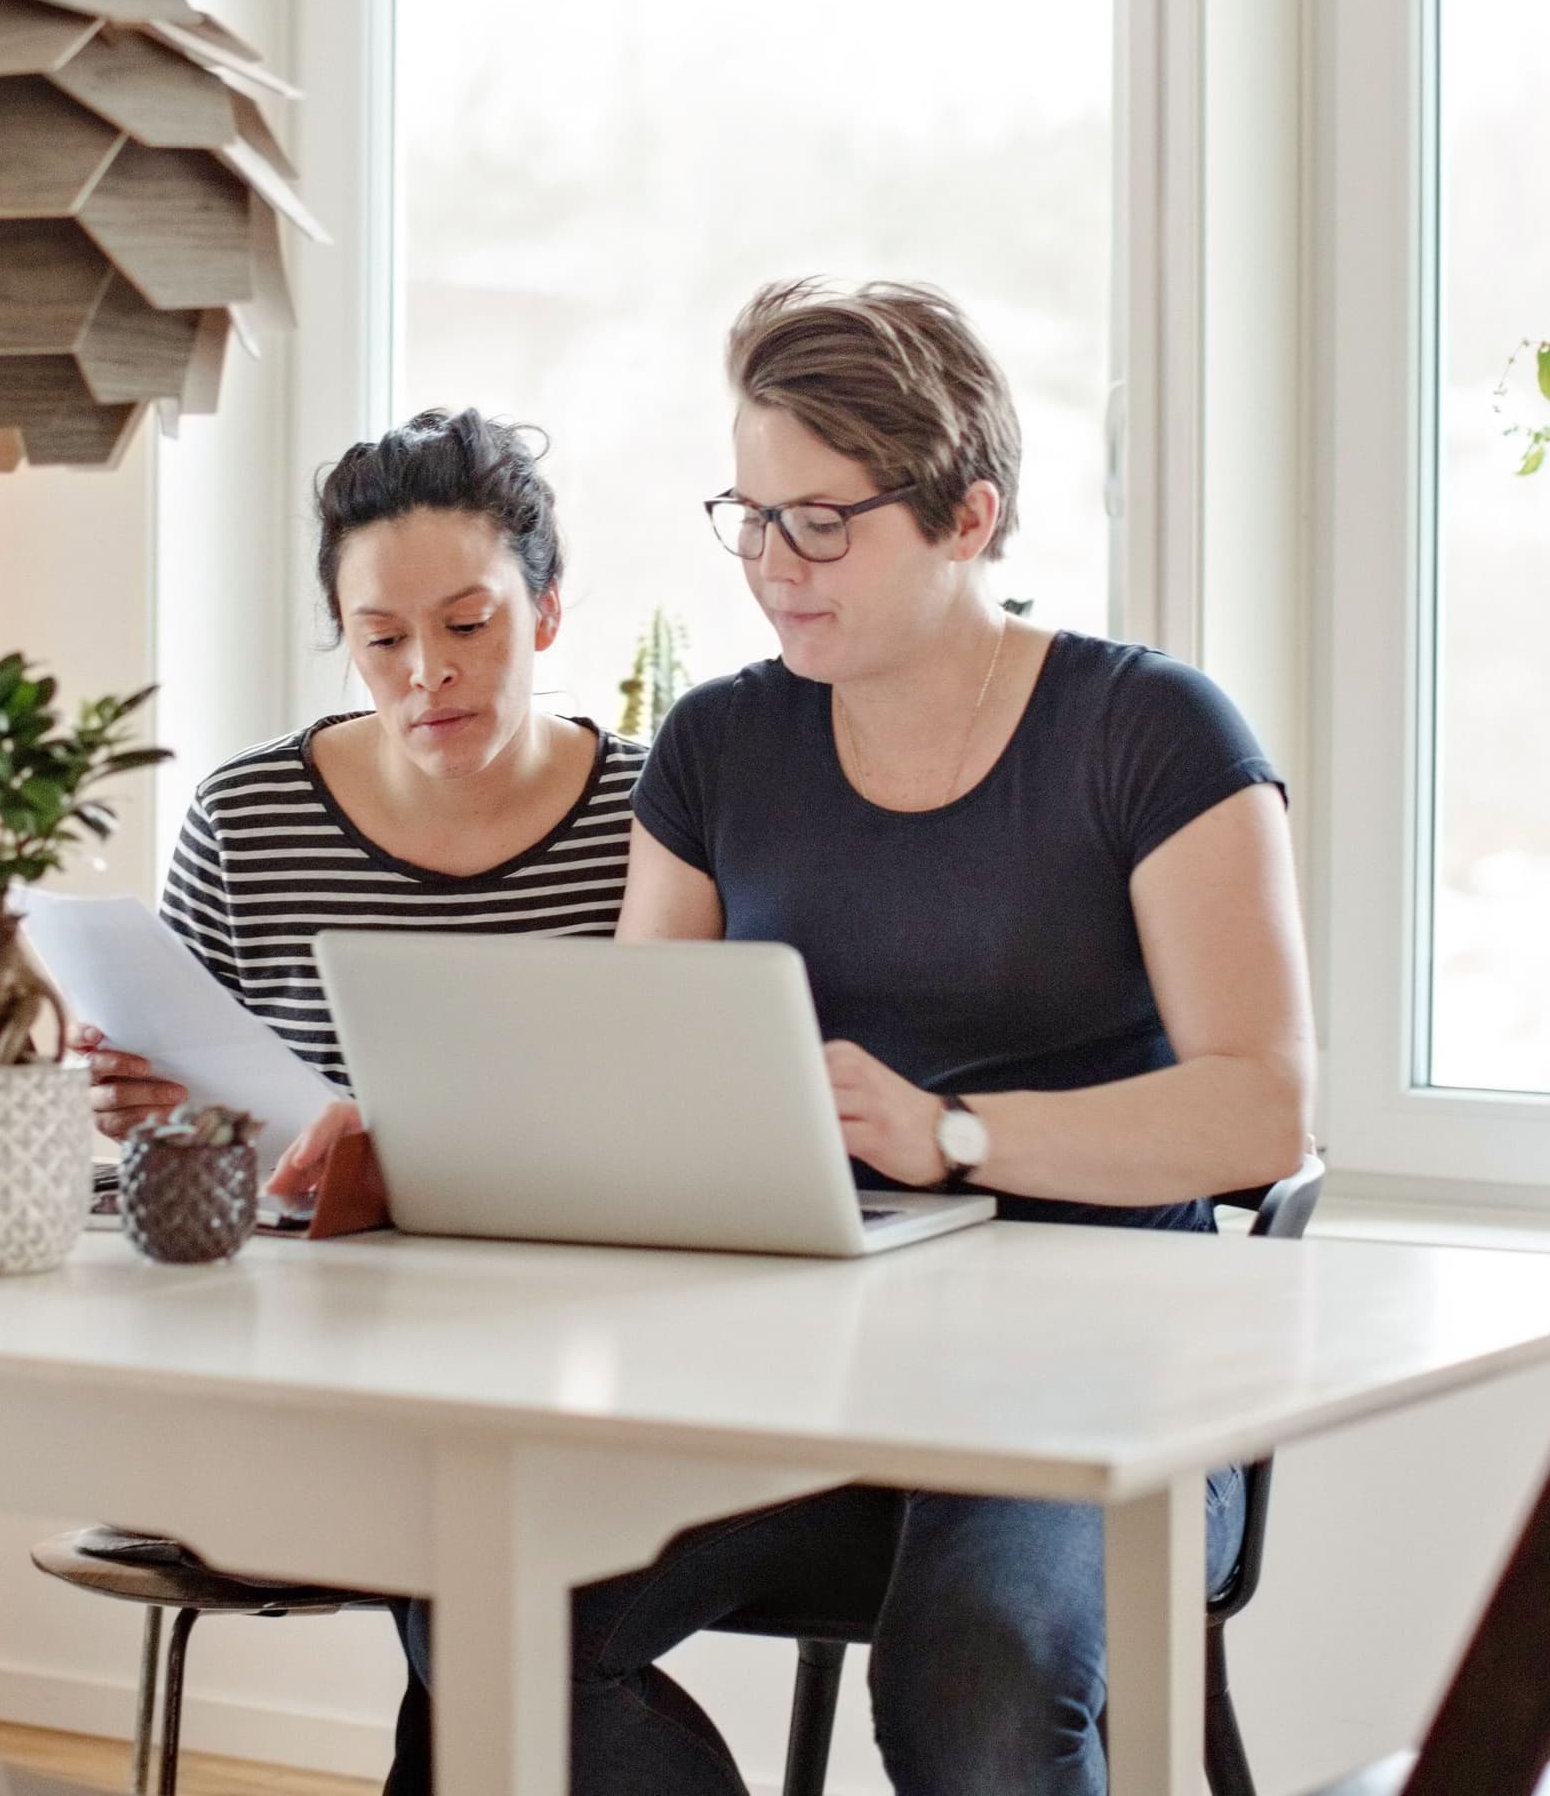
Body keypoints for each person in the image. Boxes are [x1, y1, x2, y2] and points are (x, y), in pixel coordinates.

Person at [423, 280, 1315, 1795]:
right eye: (750, 517)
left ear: (967, 516)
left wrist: (955, 1138)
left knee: (973, 1673)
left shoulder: (1153, 733)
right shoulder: (718, 745)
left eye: (820, 523)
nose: (774, 567)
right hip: (802, 1382)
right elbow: (645, 1081)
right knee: (478, 1592)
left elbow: (1261, 1115)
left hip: (1103, 1389)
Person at [80, 406, 647, 1796]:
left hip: (586, 1361)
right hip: (304, 1362)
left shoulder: (656, 818)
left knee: (486, 1578)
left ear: (550, 611)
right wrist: (145, 1117)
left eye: (469, 626)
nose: (427, 675)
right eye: (381, 638)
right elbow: (184, 1147)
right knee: (477, 1588)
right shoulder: (250, 819)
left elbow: (680, 1117)